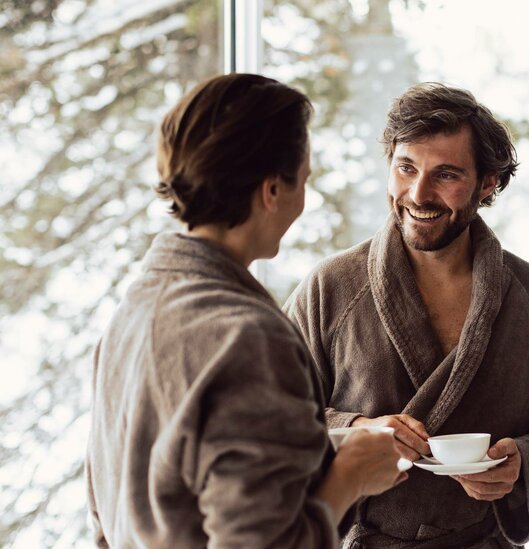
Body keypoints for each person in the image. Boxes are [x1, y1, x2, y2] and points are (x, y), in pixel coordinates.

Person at [85, 73, 406, 549]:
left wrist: (326, 452)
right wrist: (352, 477)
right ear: (271, 190)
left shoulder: (132, 311)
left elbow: (169, 482)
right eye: (303, 181)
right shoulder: (249, 338)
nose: (304, 199)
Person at [285, 82, 529, 548]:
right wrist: (351, 432)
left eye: (447, 175)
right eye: (406, 168)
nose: (419, 193)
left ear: (487, 182)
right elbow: (264, 419)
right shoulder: (330, 288)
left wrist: (524, 463)